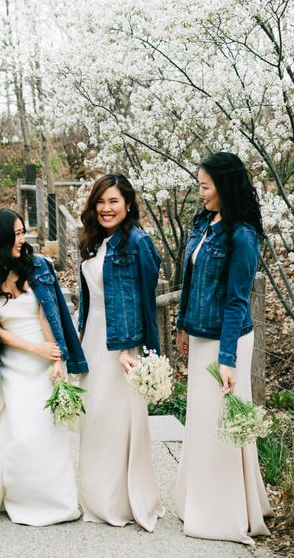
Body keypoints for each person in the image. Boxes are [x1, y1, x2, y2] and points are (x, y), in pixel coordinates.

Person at [0, 207, 87, 526]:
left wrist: (56, 358)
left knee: (50, 431)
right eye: (16, 234)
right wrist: (32, 347)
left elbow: (49, 314)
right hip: (14, 364)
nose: (23, 239)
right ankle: (20, 497)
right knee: (23, 433)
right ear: (0, 239)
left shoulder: (38, 268)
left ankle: (58, 502)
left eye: (23, 232)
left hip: (45, 359)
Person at [175, 152, 271, 544]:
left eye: (206, 187)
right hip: (199, 336)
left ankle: (223, 513)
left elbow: (237, 300)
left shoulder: (242, 236)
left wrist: (228, 360)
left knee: (222, 425)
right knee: (201, 420)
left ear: (225, 187)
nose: (201, 193)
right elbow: (191, 276)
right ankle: (199, 500)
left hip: (226, 341)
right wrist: (182, 325)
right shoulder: (203, 224)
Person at [77, 174, 164, 532]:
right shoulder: (93, 243)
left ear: (128, 204)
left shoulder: (138, 243)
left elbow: (147, 302)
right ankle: (95, 497)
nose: (106, 208)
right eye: (100, 201)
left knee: (118, 422)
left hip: (121, 345)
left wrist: (146, 353)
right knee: (93, 419)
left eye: (113, 201)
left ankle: (122, 501)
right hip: (91, 339)